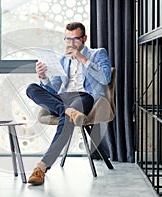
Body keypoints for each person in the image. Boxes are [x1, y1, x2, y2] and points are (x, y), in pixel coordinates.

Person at [26, 22, 112, 185]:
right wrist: (43, 76)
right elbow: (53, 89)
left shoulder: (97, 54)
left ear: (84, 38)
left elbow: (105, 78)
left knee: (68, 118)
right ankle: (68, 111)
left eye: (75, 40)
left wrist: (81, 58)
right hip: (64, 98)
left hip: (85, 97)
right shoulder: (62, 60)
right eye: (68, 39)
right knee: (32, 88)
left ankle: (42, 167)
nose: (71, 44)